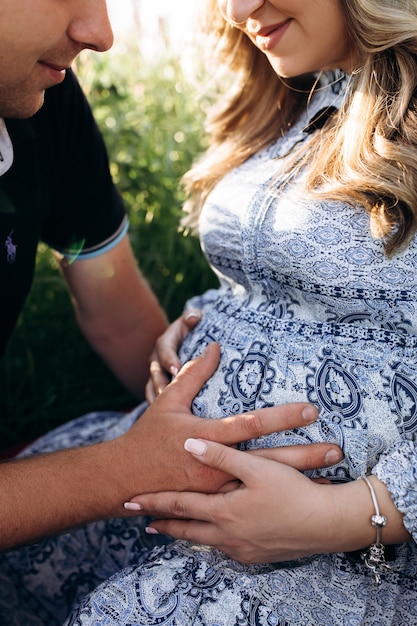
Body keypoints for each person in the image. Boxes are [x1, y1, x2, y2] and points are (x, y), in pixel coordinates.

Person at [63, 0, 417, 624]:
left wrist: (340, 517)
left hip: (353, 554)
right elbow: (280, 291)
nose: (236, 9)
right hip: (180, 486)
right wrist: (202, 322)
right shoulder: (295, 99)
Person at [0, 1, 340, 624]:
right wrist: (126, 466)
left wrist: (180, 397)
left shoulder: (39, 101)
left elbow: (111, 304)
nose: (99, 34)